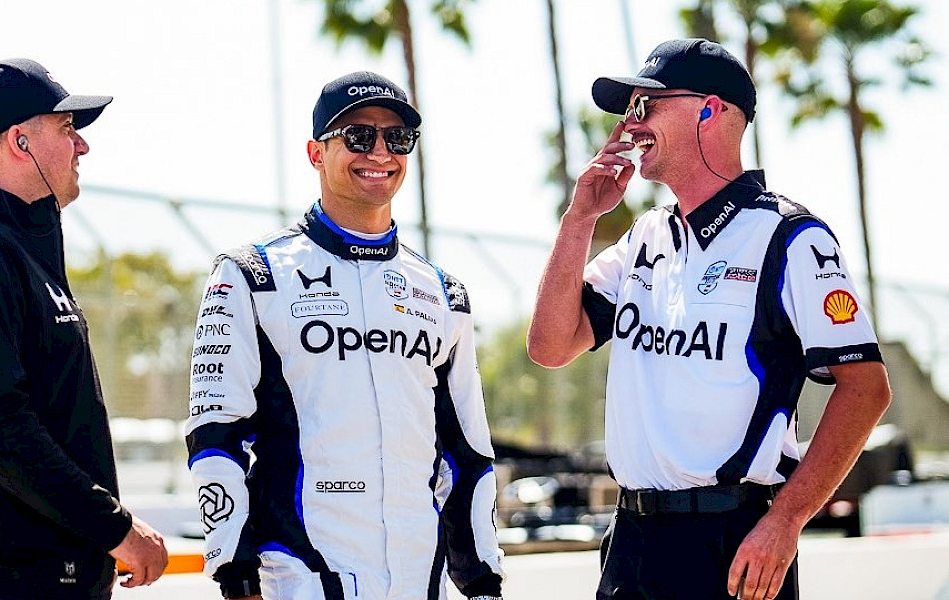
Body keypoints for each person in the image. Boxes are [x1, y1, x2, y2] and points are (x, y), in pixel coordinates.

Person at [527, 39, 891, 600]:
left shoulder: (790, 237)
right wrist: (580, 218)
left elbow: (866, 389)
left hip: (733, 540)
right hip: (631, 543)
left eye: (647, 105)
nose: (631, 124)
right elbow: (550, 347)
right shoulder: (646, 234)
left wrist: (785, 521)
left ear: (711, 110)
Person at [185, 71, 504, 600]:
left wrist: (483, 582)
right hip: (302, 576)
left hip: (419, 580)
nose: (380, 152)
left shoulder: (444, 292)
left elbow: (466, 450)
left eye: (397, 138)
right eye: (359, 135)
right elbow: (216, 434)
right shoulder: (252, 275)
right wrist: (235, 577)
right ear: (316, 153)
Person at [0, 59, 168, 600]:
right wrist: (114, 528)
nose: (82, 145)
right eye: (68, 128)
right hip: (1, 583)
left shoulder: (18, 245)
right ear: (19, 142)